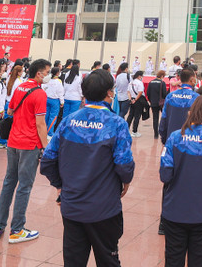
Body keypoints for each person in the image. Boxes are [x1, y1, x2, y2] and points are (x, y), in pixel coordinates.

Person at [40, 69, 134, 267]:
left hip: (72, 205)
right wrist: (125, 181)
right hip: (104, 208)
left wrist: (60, 185)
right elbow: (124, 164)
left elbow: (48, 160)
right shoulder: (116, 124)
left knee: (73, 262)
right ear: (110, 93)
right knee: (108, 260)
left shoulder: (68, 121)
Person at [160, 95, 202, 267]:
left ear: (190, 112)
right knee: (199, 257)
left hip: (175, 209)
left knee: (173, 258)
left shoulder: (175, 138)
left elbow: (165, 175)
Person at [0, 58, 50, 244]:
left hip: (13, 142)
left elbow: (10, 111)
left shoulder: (20, 87)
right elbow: (41, 125)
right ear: (39, 73)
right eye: (47, 72)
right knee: (24, 186)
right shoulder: (40, 93)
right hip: (29, 144)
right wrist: (45, 147)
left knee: (9, 183)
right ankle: (17, 229)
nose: (48, 76)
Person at [44, 66, 65, 135]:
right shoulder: (58, 81)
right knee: (53, 117)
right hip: (55, 100)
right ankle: (49, 132)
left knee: (46, 115)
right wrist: (62, 102)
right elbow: (60, 92)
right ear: (57, 73)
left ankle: (43, 130)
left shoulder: (48, 79)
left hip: (47, 99)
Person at [147, 71, 167, 139]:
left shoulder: (151, 82)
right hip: (161, 103)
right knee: (164, 117)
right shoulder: (162, 83)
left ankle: (156, 134)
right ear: (162, 76)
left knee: (155, 118)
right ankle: (163, 131)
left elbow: (148, 93)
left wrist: (151, 100)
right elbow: (164, 94)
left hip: (153, 103)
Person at [126, 70, 146, 136]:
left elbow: (128, 92)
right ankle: (134, 131)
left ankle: (126, 129)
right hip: (138, 101)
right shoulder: (140, 83)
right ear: (139, 76)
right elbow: (140, 92)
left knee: (130, 115)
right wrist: (136, 99)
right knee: (137, 116)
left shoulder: (131, 82)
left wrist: (131, 99)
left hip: (132, 99)